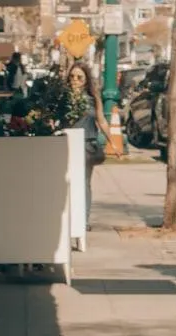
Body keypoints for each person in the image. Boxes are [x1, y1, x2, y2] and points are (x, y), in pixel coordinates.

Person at [67, 61, 121, 229]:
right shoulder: (64, 97)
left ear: (86, 80)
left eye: (79, 77)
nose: (75, 80)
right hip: (66, 143)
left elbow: (102, 121)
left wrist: (112, 142)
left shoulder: (93, 99)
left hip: (86, 144)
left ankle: (83, 221)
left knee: (83, 182)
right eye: (72, 77)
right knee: (66, 183)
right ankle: (68, 219)